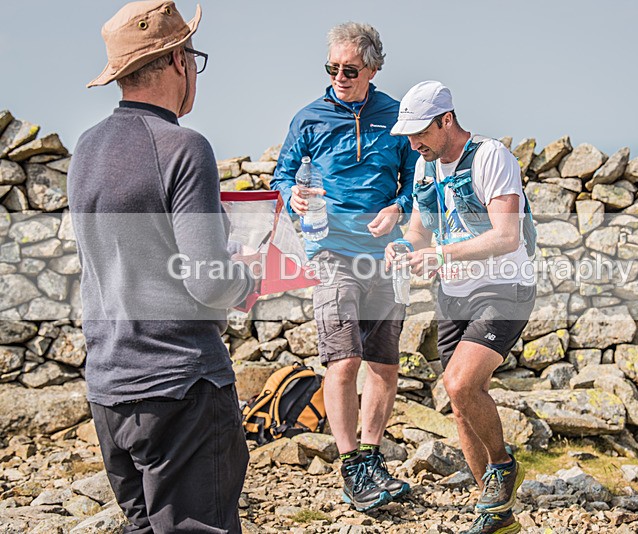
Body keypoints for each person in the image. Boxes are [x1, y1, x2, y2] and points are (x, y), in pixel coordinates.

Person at [68, 2, 254, 532]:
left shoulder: (86, 149)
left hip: (110, 389)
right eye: (194, 56)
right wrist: (246, 274)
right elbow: (206, 281)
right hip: (181, 387)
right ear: (178, 60)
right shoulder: (184, 147)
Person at [271, 22, 415, 513]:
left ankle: (373, 456)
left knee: (384, 364)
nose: (339, 77)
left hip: (388, 254)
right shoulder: (308, 118)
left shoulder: (396, 118)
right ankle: (351, 465)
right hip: (330, 252)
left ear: (373, 68)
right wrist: (292, 192)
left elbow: (419, 184)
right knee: (343, 358)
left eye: (349, 69)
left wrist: (398, 206)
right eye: (331, 68)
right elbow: (282, 174)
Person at [387, 81, 537, 534]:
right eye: (408, 136)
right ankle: (495, 515)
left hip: (504, 288)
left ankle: (504, 467)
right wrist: (401, 247)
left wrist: (442, 256)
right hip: (453, 294)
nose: (413, 143)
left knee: (458, 384)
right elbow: (418, 232)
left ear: (446, 120)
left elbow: (506, 236)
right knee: (461, 401)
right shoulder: (424, 165)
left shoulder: (491, 158)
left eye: (419, 133)